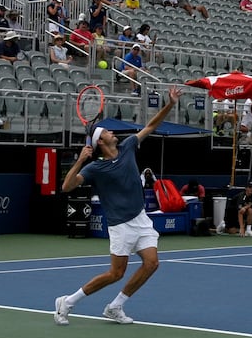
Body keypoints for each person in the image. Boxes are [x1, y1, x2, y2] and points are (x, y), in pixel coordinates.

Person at [55, 87, 183, 324]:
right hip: (120, 226)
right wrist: (80, 160)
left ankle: (115, 306)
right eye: (108, 131)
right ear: (101, 141)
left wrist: (171, 104)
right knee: (116, 273)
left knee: (152, 263)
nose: (113, 132)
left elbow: (152, 125)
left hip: (141, 219)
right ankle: (68, 302)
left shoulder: (127, 147)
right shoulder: (95, 168)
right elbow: (67, 187)